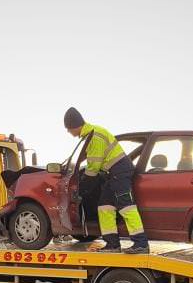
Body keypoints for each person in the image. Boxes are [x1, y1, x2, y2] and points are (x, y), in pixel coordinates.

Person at [63, 107, 149, 254]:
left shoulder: (95, 136)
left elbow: (93, 168)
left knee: (126, 207)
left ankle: (141, 244)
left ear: (73, 126)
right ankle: (112, 245)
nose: (68, 132)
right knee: (104, 207)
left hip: (120, 172)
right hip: (113, 174)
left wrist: (82, 188)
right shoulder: (91, 134)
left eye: (68, 128)